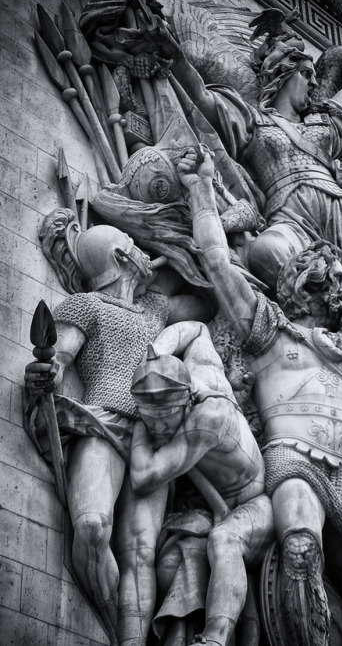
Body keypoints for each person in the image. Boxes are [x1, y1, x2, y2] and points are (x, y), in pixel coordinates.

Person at [176, 147, 342, 646]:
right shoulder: (271, 331)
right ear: (298, 284)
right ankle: (216, 638)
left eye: (340, 277)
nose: (338, 283)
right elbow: (219, 264)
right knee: (295, 546)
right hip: (294, 468)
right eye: (325, 275)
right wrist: (201, 190)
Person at [161, 17, 342, 354]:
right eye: (306, 74)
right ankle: (308, 339)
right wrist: (171, 50)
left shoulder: (325, 121)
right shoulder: (253, 120)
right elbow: (203, 97)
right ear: (282, 74)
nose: (313, 83)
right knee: (265, 251)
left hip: (340, 210)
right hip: (288, 214)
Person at [24, 224, 208, 646]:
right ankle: (112, 625)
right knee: (90, 526)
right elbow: (60, 358)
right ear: (122, 257)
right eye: (135, 247)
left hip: (153, 432)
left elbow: (203, 301)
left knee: (140, 553)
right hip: (101, 422)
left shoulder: (157, 309)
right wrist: (45, 372)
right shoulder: (86, 305)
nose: (144, 253)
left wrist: (179, 246)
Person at [128, 321, 274, 646]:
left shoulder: (207, 419)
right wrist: (156, 356)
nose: (158, 431)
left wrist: (139, 425)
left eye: (164, 421)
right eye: (152, 422)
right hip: (209, 503)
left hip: (253, 504)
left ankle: (214, 640)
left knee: (224, 540)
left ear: (183, 405)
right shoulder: (199, 369)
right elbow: (196, 329)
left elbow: (142, 477)